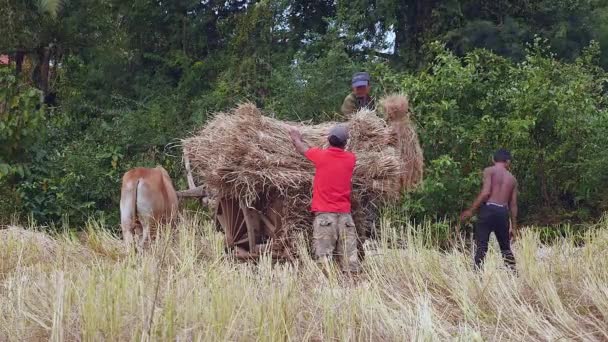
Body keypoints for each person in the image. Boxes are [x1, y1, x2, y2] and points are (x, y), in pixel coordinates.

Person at [289, 124, 359, 274]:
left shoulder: (320, 156)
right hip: (345, 218)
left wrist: (296, 137)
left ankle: (326, 289)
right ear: (345, 143)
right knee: (350, 261)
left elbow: (301, 148)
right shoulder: (350, 159)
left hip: (326, 217)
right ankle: (352, 287)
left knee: (324, 260)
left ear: (328, 140)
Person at [460, 149, 518, 270]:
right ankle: (513, 275)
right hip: (503, 212)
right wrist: (514, 227)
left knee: (481, 246)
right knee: (505, 248)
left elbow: (486, 193)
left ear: (493, 159)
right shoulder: (512, 179)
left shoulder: (489, 171)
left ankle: (477, 275)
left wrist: (471, 210)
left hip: (488, 209)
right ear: (508, 162)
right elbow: (513, 205)